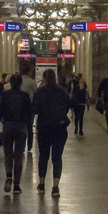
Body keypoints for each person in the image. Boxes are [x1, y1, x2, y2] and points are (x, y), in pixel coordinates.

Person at [31, 69, 73, 197]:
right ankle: (55, 187)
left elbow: (35, 109)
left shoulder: (40, 92)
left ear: (44, 78)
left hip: (44, 128)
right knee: (57, 158)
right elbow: (68, 106)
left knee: (43, 156)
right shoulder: (62, 92)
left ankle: (42, 184)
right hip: (59, 128)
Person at [0, 74, 33, 194]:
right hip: (21, 127)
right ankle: (17, 185)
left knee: (8, 154)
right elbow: (29, 112)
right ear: (20, 83)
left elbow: (0, 110)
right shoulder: (25, 96)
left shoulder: (5, 95)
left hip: (8, 126)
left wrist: (3, 120)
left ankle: (9, 176)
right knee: (19, 156)